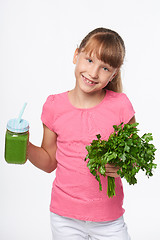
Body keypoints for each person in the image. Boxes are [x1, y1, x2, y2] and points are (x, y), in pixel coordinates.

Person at [27, 27, 136, 240]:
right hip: (64, 218)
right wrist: (24, 145)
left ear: (114, 73)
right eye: (89, 60)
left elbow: (133, 159)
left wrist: (121, 165)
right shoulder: (54, 106)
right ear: (76, 55)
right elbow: (49, 162)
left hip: (108, 220)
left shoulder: (121, 106)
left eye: (105, 68)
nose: (93, 73)